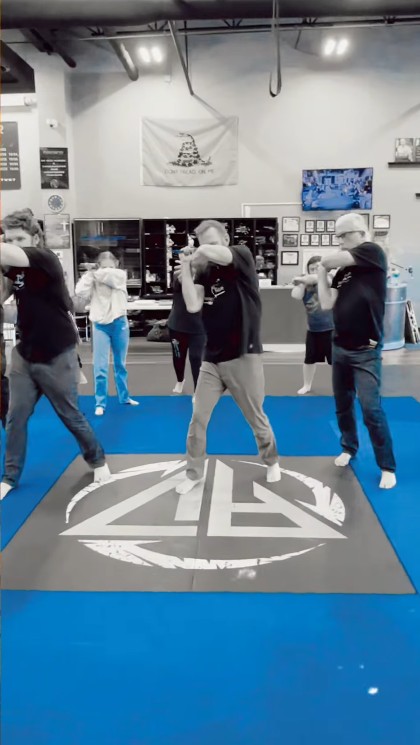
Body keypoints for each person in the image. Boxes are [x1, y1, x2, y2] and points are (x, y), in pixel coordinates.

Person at [0, 210, 110, 500]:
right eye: (9, 239)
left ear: (35, 239)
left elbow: (10, 254)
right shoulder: (13, 268)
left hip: (57, 353)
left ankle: (98, 460)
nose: (14, 244)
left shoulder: (45, 258)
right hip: (25, 354)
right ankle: (10, 477)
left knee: (69, 415)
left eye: (20, 239)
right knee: (15, 418)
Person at [175, 219, 281, 495]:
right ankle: (194, 472)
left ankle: (271, 460)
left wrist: (198, 252)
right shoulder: (206, 273)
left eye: (212, 242)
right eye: (203, 243)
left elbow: (217, 254)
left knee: (255, 416)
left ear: (225, 240)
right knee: (198, 418)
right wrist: (186, 268)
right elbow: (192, 304)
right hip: (212, 358)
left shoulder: (241, 256)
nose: (206, 249)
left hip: (242, 355)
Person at [317, 212, 397, 490]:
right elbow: (326, 303)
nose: (339, 241)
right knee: (342, 404)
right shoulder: (343, 272)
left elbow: (328, 260)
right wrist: (320, 275)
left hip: (367, 348)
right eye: (337, 236)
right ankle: (348, 447)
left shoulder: (372, 252)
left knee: (371, 408)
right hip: (340, 346)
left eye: (344, 235)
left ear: (360, 232)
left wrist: (322, 264)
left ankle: (387, 466)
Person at [75, 250, 139, 416]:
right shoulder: (94, 277)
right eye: (104, 267)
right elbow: (80, 291)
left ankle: (124, 397)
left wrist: (95, 271)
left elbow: (112, 277)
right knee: (100, 366)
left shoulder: (120, 275)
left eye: (111, 267)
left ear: (116, 264)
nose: (108, 270)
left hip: (119, 323)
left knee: (120, 364)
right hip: (100, 326)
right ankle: (100, 403)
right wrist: (89, 275)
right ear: (99, 265)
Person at [168, 238, 206, 395]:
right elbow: (179, 282)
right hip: (178, 325)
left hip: (199, 326)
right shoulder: (179, 272)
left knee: (197, 358)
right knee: (178, 356)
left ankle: (198, 390)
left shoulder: (205, 274)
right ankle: (180, 380)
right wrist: (185, 265)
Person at [291, 255, 334, 395]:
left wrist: (301, 279)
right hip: (313, 329)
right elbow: (296, 295)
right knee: (309, 360)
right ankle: (307, 385)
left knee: (335, 361)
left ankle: (342, 385)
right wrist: (301, 283)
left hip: (331, 328)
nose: (315, 271)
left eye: (317, 268)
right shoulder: (305, 283)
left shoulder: (329, 278)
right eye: (312, 269)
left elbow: (320, 278)